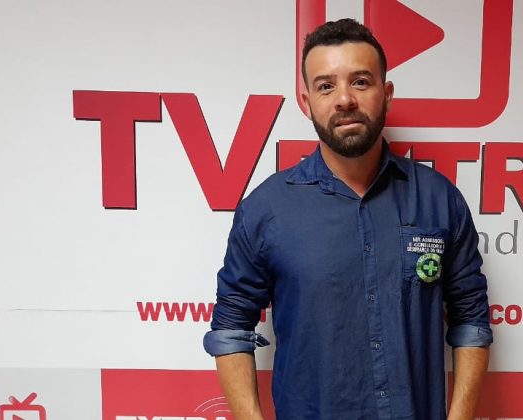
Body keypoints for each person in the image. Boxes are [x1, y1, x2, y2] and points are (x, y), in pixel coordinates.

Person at [203, 18, 493, 420]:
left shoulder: (439, 200)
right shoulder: (266, 209)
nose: (344, 99)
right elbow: (231, 329)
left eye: (360, 82)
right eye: (326, 86)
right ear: (307, 102)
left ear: (386, 94)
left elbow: (471, 320)